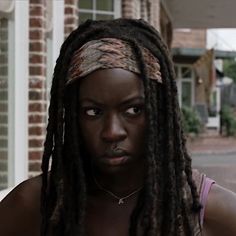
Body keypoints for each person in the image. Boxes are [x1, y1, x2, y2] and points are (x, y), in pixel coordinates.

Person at [0, 18, 236, 236]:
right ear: (73, 117)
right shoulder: (35, 204)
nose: (112, 132)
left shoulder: (208, 211)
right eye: (93, 112)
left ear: (160, 112)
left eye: (133, 110)